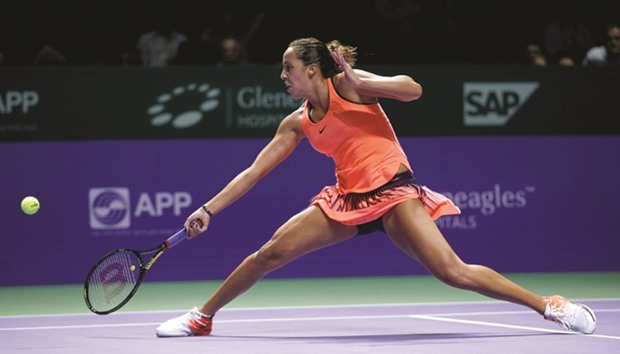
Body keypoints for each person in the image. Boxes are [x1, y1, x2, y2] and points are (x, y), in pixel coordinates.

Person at [155, 37, 597, 337]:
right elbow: (254, 171)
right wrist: (207, 210)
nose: (283, 76)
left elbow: (414, 90)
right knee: (270, 252)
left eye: (288, 68)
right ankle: (202, 318)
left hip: (394, 194)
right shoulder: (296, 123)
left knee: (452, 271)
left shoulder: (352, 85)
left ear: (312, 70)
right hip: (346, 202)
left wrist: (367, 82)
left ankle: (549, 305)